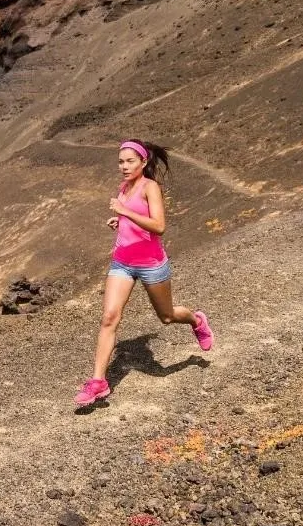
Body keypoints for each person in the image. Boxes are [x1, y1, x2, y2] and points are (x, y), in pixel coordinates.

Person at [75, 140, 214, 407]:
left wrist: (124, 211)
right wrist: (121, 221)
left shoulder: (150, 187)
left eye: (129, 161)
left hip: (151, 263)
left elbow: (159, 226)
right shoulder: (124, 187)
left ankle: (196, 321)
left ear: (143, 162)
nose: (124, 167)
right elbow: (135, 220)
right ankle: (98, 382)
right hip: (122, 261)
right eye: (120, 162)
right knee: (109, 317)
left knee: (167, 316)